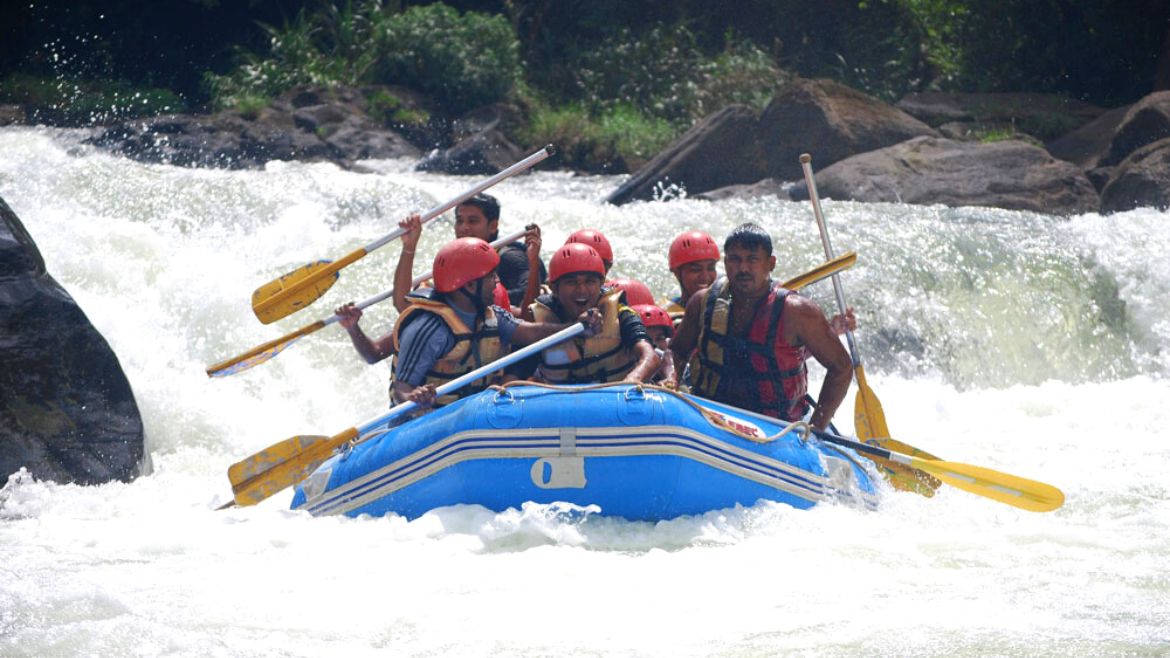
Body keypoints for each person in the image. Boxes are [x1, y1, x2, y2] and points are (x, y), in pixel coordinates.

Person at [336, 237, 599, 410]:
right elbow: (401, 389)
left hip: (472, 418)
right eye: (490, 277)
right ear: (469, 285)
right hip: (426, 423)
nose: (496, 282)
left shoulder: (491, 316)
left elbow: (531, 333)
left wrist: (576, 327)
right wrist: (414, 396)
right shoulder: (430, 328)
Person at [668, 223, 853, 431]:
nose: (743, 268)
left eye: (752, 259)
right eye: (735, 259)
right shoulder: (701, 302)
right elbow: (678, 350)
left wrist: (817, 427)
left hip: (776, 427)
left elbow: (842, 367)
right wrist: (674, 383)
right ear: (726, 262)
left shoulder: (797, 312)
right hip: (711, 417)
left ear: (771, 263)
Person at [526, 242, 659, 384]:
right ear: (555, 288)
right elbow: (514, 375)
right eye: (572, 282)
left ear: (601, 284)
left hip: (617, 399)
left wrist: (630, 382)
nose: (582, 290)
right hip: (563, 404)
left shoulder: (621, 313)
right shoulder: (539, 322)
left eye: (590, 281)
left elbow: (650, 356)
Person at [392, 193, 545, 314]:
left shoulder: (511, 257)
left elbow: (530, 308)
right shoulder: (453, 260)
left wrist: (472, 299)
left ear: (492, 226)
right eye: (459, 221)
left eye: (472, 221)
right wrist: (409, 247)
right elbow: (403, 304)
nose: (463, 227)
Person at [661, 230, 720, 319]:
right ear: (677, 272)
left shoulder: (725, 307)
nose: (705, 277)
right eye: (696, 269)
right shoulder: (665, 315)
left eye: (711, 268)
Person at [632, 303, 676, 384]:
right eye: (647, 340)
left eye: (659, 338)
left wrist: (670, 377)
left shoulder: (680, 370)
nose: (654, 345)